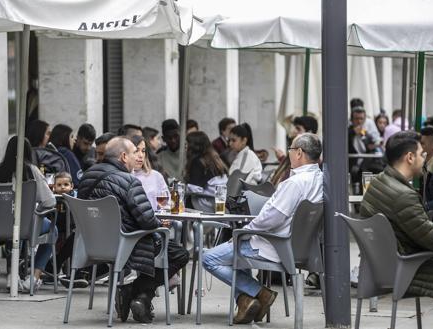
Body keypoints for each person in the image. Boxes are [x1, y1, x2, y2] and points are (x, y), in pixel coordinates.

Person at [202, 133, 323, 324]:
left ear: (299, 152)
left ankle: (260, 293)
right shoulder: (319, 179)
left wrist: (246, 230)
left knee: (207, 257)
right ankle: (246, 301)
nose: (289, 153)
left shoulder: (295, 183)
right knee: (236, 253)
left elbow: (272, 217)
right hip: (297, 246)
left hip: (273, 245)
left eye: (291, 149)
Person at [78, 137, 189, 323]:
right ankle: (133, 292)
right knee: (178, 253)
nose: (138, 157)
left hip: (90, 245)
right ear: (123, 156)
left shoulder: (86, 177)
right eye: (133, 153)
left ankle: (141, 298)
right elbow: (147, 221)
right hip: (125, 244)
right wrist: (159, 225)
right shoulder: (129, 181)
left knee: (157, 242)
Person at [361, 131, 433, 300]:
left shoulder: (378, 182)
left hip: (387, 261)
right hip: (411, 266)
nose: (424, 159)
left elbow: (424, 230)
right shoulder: (403, 196)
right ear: (410, 157)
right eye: (421, 154)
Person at [0, 136, 56, 292]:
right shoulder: (32, 171)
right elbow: (50, 202)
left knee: (15, 224)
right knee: (52, 230)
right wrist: (36, 210)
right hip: (23, 226)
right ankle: (34, 278)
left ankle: (12, 273)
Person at [270, 116, 319, 186]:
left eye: (298, 129)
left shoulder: (310, 157)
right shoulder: (296, 152)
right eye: (295, 128)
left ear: (309, 133)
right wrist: (282, 158)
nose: (294, 131)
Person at [131, 135, 169, 211]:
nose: (141, 155)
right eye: (136, 151)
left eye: (143, 151)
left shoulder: (156, 176)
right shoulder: (120, 176)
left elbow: (167, 205)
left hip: (155, 220)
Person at [348, 107, 382, 185]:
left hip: (366, 165)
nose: (359, 121)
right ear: (352, 120)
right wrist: (353, 132)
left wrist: (374, 145)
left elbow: (372, 145)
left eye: (361, 119)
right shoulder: (347, 132)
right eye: (356, 119)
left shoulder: (365, 133)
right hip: (352, 164)